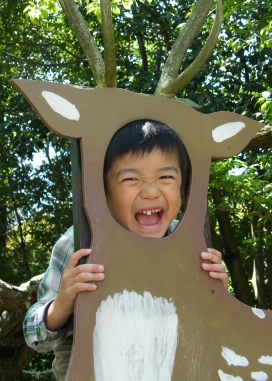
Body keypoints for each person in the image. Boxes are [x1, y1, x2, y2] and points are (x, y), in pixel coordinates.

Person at [23, 120, 228, 380]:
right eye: (131, 178)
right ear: (103, 191)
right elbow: (34, 337)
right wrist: (62, 305)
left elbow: (213, 331)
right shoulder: (79, 245)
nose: (151, 191)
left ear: (183, 187)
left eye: (165, 177)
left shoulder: (189, 243)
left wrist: (218, 294)